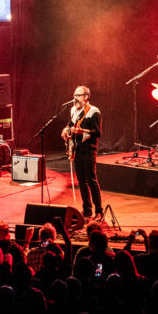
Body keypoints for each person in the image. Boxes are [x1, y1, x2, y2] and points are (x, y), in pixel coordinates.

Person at [61, 86, 103, 220]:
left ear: (86, 97)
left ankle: (99, 211)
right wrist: (65, 130)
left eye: (78, 95)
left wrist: (81, 131)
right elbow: (71, 124)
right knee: (81, 181)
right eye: (74, 95)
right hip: (77, 150)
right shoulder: (73, 110)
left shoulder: (93, 111)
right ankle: (87, 211)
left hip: (89, 150)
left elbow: (97, 132)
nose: (75, 98)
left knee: (91, 180)